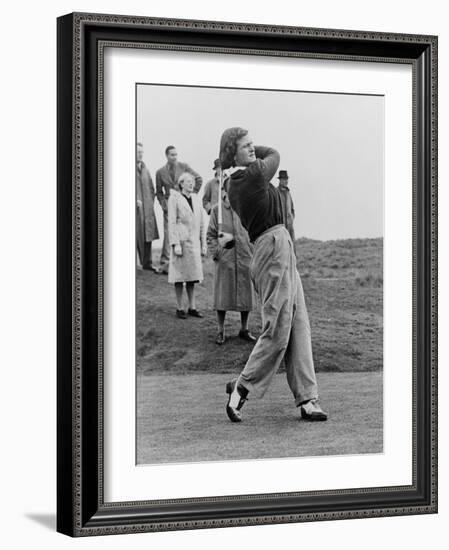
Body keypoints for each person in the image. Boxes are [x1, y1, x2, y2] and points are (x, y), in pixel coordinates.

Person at [219, 127, 328, 422]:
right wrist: (251, 152)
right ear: (233, 154)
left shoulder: (249, 174)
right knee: (278, 330)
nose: (253, 149)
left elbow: (266, 159)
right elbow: (275, 154)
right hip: (271, 247)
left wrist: (246, 148)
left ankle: (308, 399)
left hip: (282, 245)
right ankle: (241, 388)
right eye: (246, 146)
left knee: (299, 326)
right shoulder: (244, 178)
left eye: (253, 144)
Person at [206, 182, 256, 345]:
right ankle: (221, 331)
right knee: (222, 295)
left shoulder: (246, 208)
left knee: (246, 294)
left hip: (244, 257)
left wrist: (252, 250)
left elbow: (254, 230)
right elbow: (211, 235)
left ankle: (244, 329)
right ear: (224, 191)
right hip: (225, 259)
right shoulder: (216, 210)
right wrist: (217, 253)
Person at [156, 146, 203, 273]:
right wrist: (163, 205)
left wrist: (190, 195)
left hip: (182, 205)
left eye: (176, 154)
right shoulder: (160, 172)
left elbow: (198, 179)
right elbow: (159, 192)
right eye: (172, 155)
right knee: (169, 232)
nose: (174, 157)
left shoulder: (184, 166)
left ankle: (187, 260)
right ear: (166, 156)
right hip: (169, 205)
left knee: (185, 231)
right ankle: (165, 264)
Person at [167, 172, 207, 319]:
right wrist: (175, 243)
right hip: (181, 243)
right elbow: (171, 222)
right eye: (188, 181)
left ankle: (192, 307)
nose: (191, 184)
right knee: (179, 276)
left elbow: (201, 222)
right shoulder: (174, 198)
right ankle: (179, 307)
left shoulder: (196, 199)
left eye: (192, 181)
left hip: (194, 243)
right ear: (181, 184)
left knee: (192, 277)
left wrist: (203, 243)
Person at [136, 142, 160, 271]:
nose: (140, 154)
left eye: (141, 152)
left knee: (147, 235)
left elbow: (151, 188)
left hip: (147, 210)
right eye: (138, 152)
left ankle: (147, 263)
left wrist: (150, 202)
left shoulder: (145, 169)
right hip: (135, 211)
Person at [277, 169, 296, 243]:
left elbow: (292, 209)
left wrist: (291, 219)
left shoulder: (288, 193)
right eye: (284, 179)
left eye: (287, 179)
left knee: (291, 248)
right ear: (280, 180)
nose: (286, 181)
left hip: (289, 227)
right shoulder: (276, 192)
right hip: (280, 227)